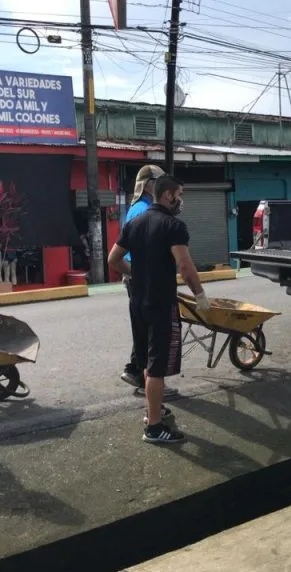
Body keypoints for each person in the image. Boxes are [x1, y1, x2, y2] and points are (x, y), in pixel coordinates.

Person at [108, 175, 211, 444]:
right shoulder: (173, 226)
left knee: (146, 360)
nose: (181, 200)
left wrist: (136, 274)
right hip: (160, 304)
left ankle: (152, 411)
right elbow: (186, 268)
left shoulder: (135, 222)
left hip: (138, 302)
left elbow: (114, 259)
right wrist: (200, 295)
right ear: (168, 195)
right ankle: (154, 428)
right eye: (180, 194)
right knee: (156, 367)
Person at [119, 164, 179, 400]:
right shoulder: (145, 211)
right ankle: (145, 377)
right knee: (152, 333)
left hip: (137, 276)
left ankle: (136, 369)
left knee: (143, 329)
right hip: (144, 279)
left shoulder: (137, 208)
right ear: (150, 185)